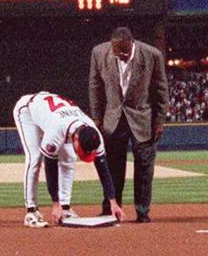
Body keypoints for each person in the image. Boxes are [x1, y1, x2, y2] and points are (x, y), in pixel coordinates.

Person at [89, 27, 169, 223]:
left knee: (144, 167)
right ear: (111, 45)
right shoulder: (99, 52)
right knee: (113, 167)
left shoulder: (151, 54)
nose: (121, 56)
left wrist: (159, 120)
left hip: (143, 118)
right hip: (113, 119)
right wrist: (97, 117)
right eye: (117, 52)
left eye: (125, 51)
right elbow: (95, 86)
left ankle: (142, 211)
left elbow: (161, 88)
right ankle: (110, 209)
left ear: (132, 43)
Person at [12, 91, 125, 228]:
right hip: (27, 111)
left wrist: (113, 202)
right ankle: (31, 211)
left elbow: (103, 169)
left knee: (70, 157)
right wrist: (55, 203)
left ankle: (65, 208)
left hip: (54, 115)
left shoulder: (95, 135)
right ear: (76, 139)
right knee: (34, 158)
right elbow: (50, 168)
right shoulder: (56, 131)